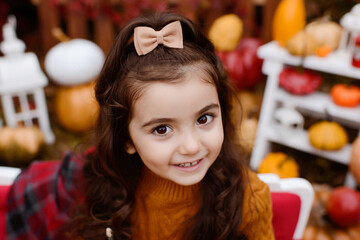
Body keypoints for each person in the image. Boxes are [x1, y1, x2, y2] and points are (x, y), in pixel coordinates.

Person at [6, 12, 274, 240]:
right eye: (161, 129)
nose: (192, 146)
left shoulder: (249, 201)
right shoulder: (105, 189)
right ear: (127, 139)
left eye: (204, 119)